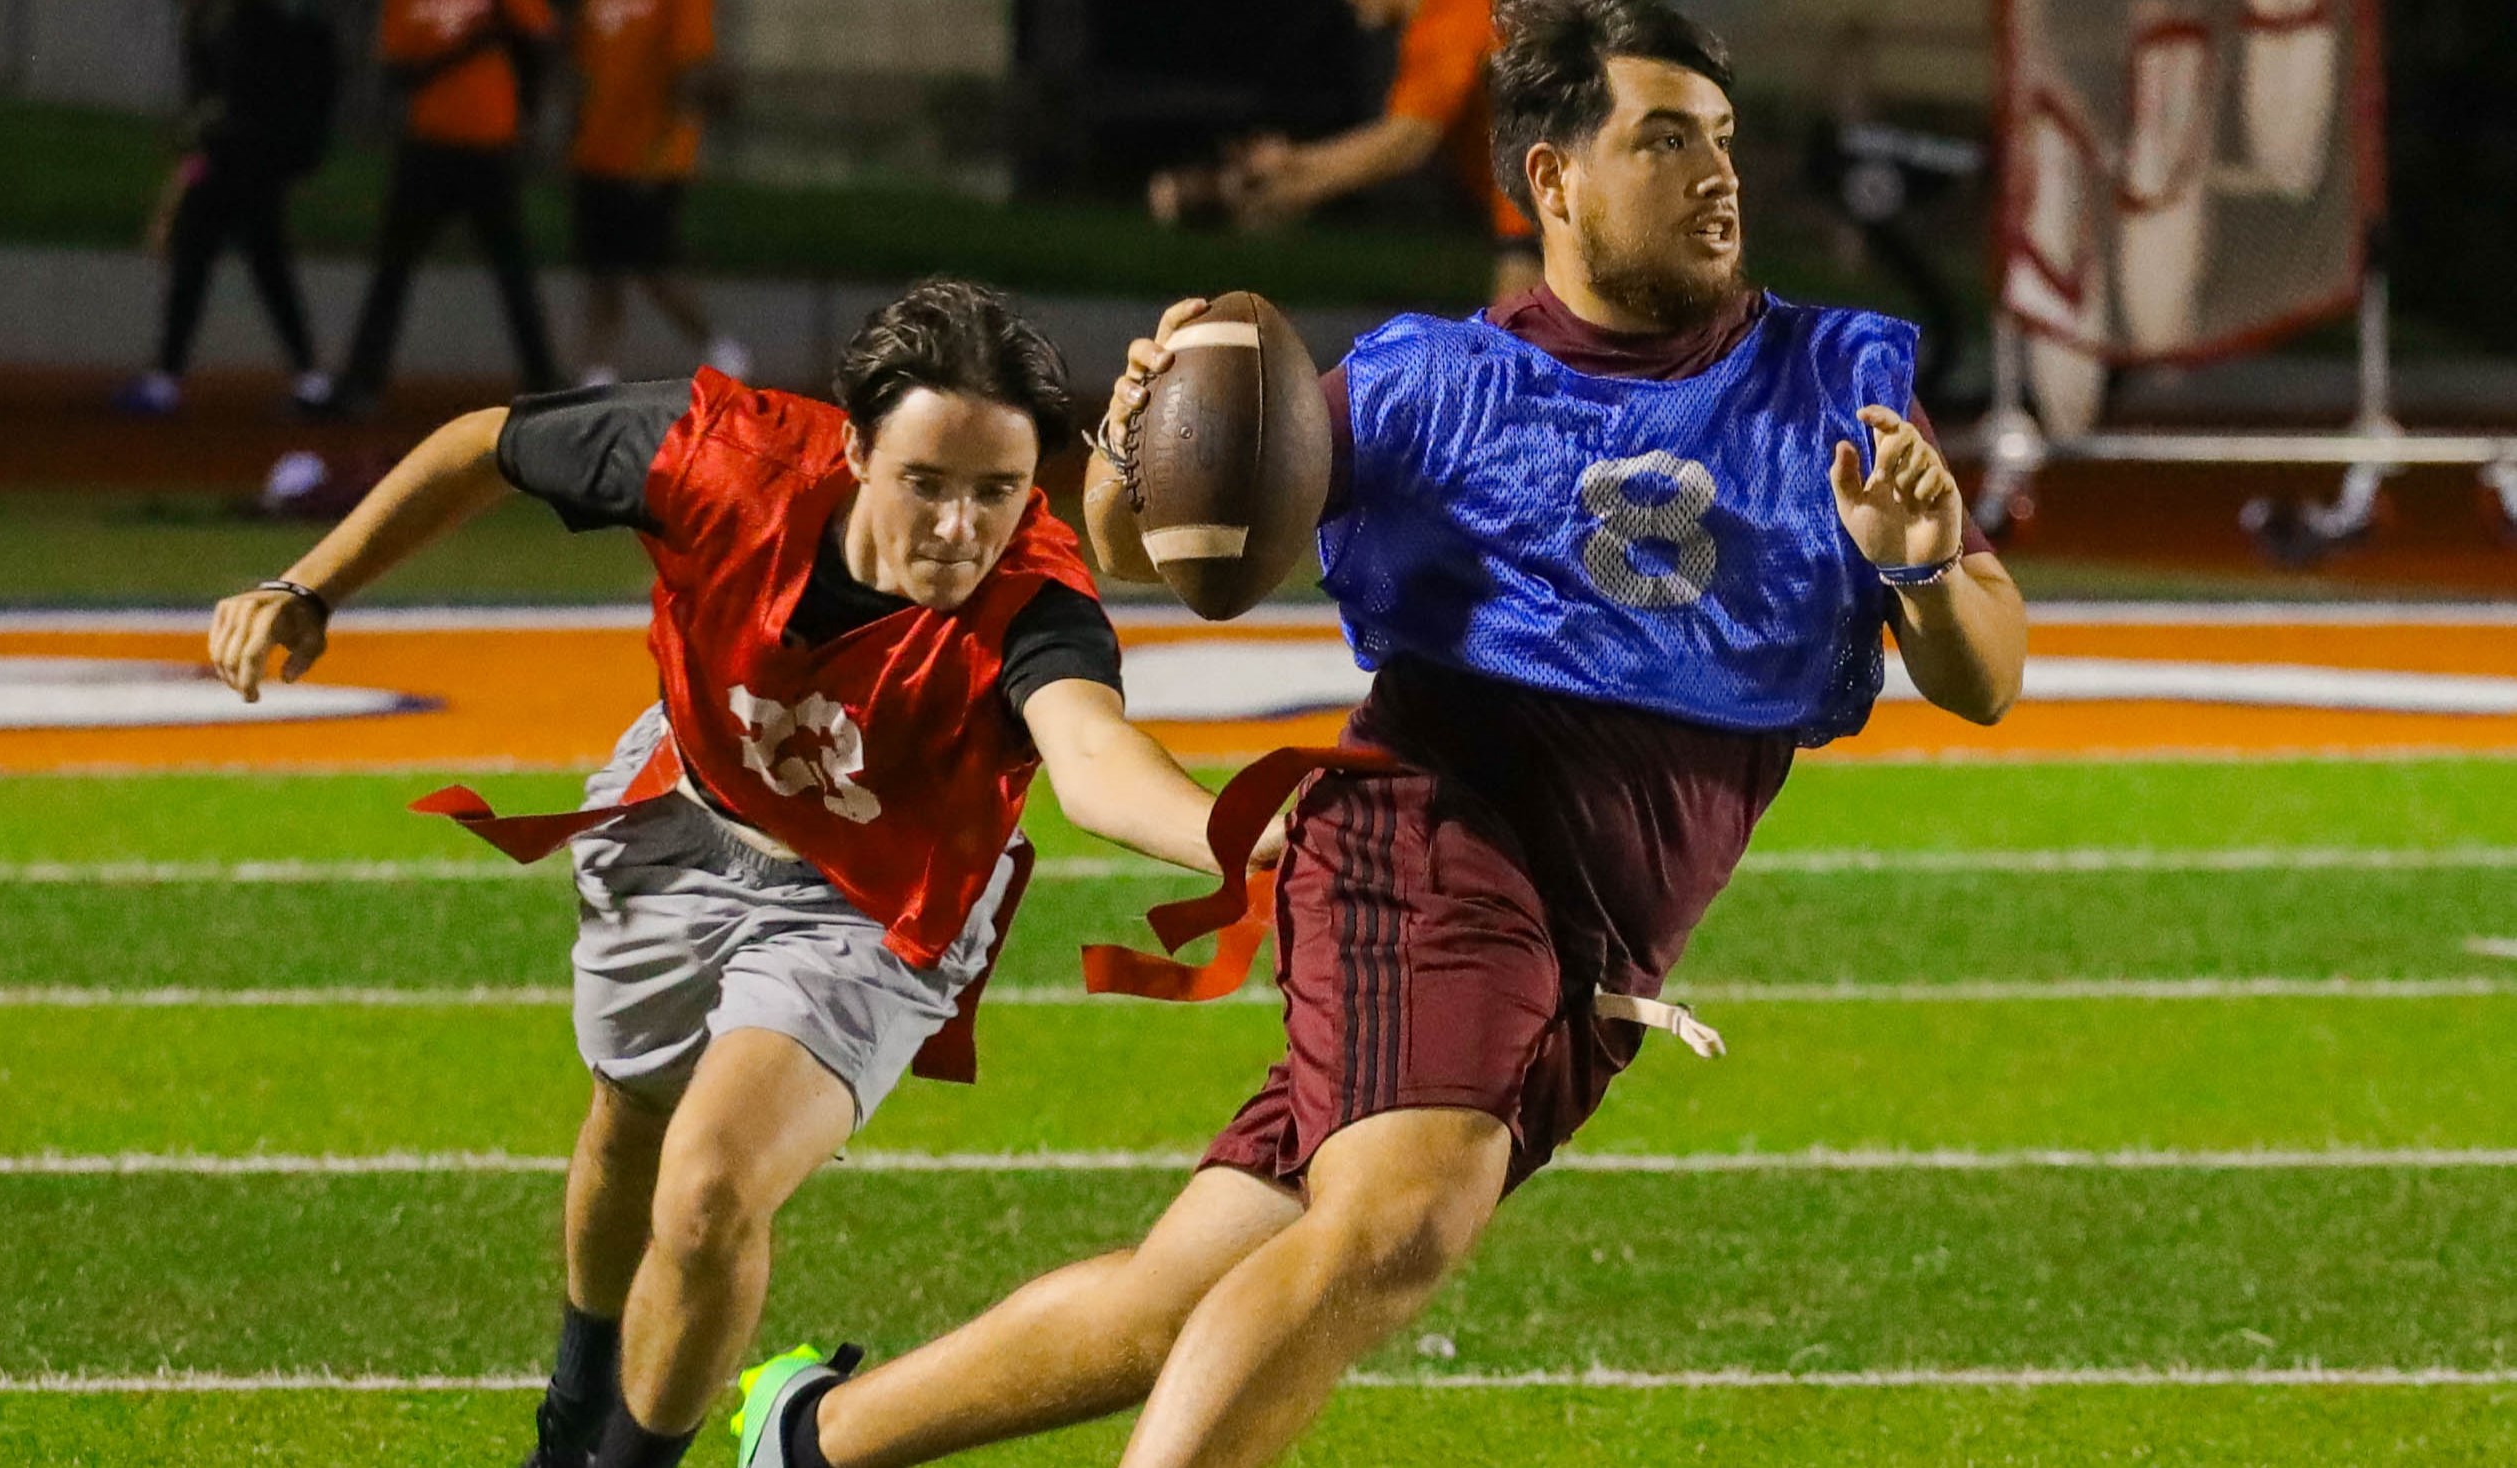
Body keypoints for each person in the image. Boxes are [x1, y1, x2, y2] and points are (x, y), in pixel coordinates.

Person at [735, 3, 2029, 1466]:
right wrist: (1130, 447)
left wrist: (1917, 563)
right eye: (1663, 142)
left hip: (1597, 945)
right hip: (1423, 846)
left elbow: (1984, 674)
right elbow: (1169, 548)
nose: (1714, 175)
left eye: (1719, 140)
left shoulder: (1823, 383)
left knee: (1193, 1297)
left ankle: (808, 1435)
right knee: (1398, 1221)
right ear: (1549, 180)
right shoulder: (1438, 387)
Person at [206, 279, 1254, 1468]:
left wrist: (1255, 833)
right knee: (630, 1119)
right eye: (927, 482)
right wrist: (312, 587)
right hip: (682, 815)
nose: (963, 527)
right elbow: (482, 444)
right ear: (855, 448)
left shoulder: (1036, 602)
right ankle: (574, 1401)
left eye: (996, 492)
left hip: (874, 903)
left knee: (708, 1192)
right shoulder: (721, 460)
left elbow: (1095, 763)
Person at [1156, 0, 1542, 305]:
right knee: (1522, 358)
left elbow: (1405, 141)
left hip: (1550, 210)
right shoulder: (1437, 24)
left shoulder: (1451, 16)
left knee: (1514, 363)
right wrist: (1294, 165)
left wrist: (1290, 189)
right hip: (1540, 213)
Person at [319, 0, 563, 418]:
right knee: (393, 268)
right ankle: (362, 381)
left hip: (490, 148)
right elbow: (398, 72)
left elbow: (541, 42)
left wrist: (527, 104)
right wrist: (471, 43)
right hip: (428, 147)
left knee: (513, 271)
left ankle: (546, 382)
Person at [117, 0, 341, 418]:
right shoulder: (247, 20)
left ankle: (168, 379)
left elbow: (259, 89)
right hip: (239, 158)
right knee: (245, 264)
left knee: (227, 263)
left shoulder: (261, 22)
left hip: (243, 160)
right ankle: (309, 379)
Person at [566, 0, 751, 387]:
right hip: (599, 149)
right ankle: (598, 371)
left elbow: (692, 69)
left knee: (654, 265)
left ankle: (720, 349)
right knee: (604, 269)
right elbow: (582, 65)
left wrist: (659, 150)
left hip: (651, 158)